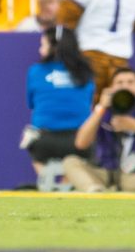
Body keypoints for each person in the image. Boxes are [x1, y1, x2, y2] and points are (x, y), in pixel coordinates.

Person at [24, 27, 94, 177]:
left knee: (29, 138)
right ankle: (69, 183)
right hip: (79, 140)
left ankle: (47, 182)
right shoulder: (86, 72)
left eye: (43, 45)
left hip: (44, 142)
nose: (40, 49)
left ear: (54, 47)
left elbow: (31, 104)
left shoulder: (35, 71)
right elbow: (88, 102)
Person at [63, 67, 135, 192]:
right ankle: (95, 190)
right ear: (111, 88)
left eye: (130, 82)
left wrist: (132, 126)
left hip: (131, 174)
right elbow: (81, 143)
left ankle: (112, 189)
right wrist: (100, 108)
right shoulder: (103, 111)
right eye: (120, 83)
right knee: (70, 162)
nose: (125, 86)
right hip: (104, 171)